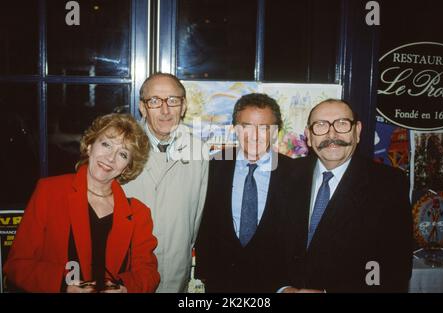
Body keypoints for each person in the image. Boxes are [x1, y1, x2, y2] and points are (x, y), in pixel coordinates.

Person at [3, 113, 160, 293]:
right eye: (106, 144)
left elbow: (148, 273)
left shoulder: (138, 212)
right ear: (90, 146)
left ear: (128, 166)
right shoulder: (50, 192)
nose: (110, 158)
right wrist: (63, 286)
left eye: (123, 154)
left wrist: (125, 288)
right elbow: (16, 265)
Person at [283, 99, 413, 293]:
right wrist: (283, 289)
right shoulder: (287, 176)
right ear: (309, 136)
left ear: (357, 131)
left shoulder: (389, 184)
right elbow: (269, 246)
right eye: (321, 125)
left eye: (342, 123)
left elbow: (393, 268)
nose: (332, 134)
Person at [195, 93, 297, 292]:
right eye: (246, 126)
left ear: (276, 132)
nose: (254, 135)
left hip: (274, 283)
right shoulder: (214, 166)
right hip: (221, 281)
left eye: (264, 128)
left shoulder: (294, 173)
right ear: (234, 129)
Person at [123, 73, 209, 293]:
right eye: (154, 101)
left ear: (184, 106)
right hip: (126, 272)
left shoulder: (199, 150)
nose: (165, 110)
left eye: (173, 100)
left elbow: (196, 216)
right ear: (142, 107)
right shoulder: (120, 147)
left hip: (175, 271)